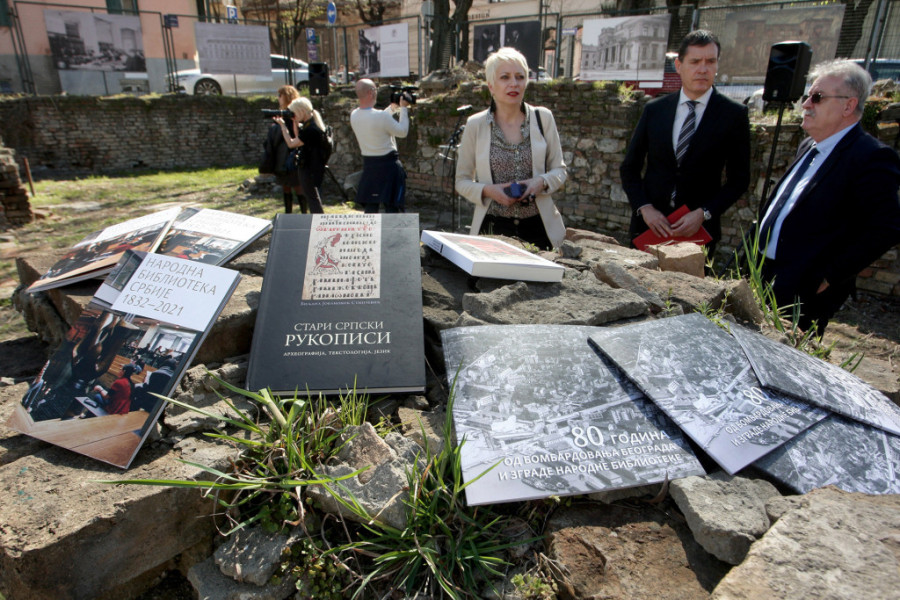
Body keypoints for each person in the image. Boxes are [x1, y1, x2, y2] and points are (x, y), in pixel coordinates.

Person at [757, 59, 900, 335]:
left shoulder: (869, 157)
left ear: (848, 105)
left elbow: (888, 226)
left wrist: (830, 275)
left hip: (803, 287)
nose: (807, 104)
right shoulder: (809, 145)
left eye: (817, 97)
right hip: (764, 271)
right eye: (808, 96)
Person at [620, 30, 750, 255]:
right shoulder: (655, 110)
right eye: (695, 61)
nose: (703, 69)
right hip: (649, 229)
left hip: (696, 233)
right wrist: (644, 207)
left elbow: (739, 179)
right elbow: (629, 167)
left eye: (710, 61)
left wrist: (704, 212)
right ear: (679, 65)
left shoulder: (733, 115)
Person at [455, 47, 567, 250]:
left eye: (520, 77)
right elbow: (461, 181)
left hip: (539, 229)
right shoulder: (476, 124)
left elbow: (560, 170)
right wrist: (489, 191)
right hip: (492, 228)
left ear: (526, 82)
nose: (513, 83)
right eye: (505, 77)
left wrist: (540, 182)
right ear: (491, 85)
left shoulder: (543, 118)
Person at [350, 78, 410, 213]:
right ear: (371, 92)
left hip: (370, 166)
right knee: (392, 209)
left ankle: (371, 234)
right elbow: (402, 132)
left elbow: (376, 119)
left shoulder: (354, 115)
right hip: (389, 165)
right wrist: (404, 108)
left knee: (371, 209)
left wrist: (393, 108)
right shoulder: (381, 117)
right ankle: (393, 234)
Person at [274, 97, 327, 214]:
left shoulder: (311, 129)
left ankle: (319, 223)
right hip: (311, 166)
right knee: (313, 197)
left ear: (301, 111)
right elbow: (299, 137)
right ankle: (319, 222)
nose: (293, 115)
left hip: (309, 168)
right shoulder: (311, 125)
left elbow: (291, 144)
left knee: (312, 198)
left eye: (294, 112)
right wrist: (295, 122)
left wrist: (283, 126)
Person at [263, 85, 308, 214]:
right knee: (286, 187)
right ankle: (288, 213)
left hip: (293, 154)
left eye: (280, 96)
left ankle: (304, 213)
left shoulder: (294, 113)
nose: (278, 98)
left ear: (286, 96)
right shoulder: (282, 113)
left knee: (298, 186)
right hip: (281, 155)